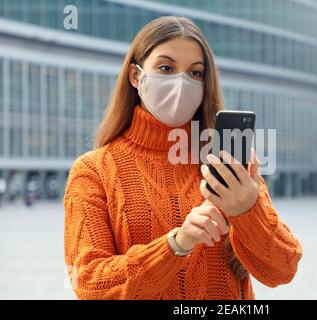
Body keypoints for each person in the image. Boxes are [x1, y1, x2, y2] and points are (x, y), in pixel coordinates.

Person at [63, 16, 303, 300]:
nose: (181, 82)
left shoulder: (226, 162)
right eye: (166, 68)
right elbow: (90, 284)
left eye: (195, 73)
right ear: (136, 75)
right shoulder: (93, 171)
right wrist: (176, 244)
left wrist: (248, 210)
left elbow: (283, 270)